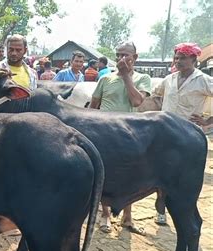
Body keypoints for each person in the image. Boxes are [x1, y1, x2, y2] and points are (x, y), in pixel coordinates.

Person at [90, 41, 151, 236]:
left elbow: (136, 101)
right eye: (118, 55)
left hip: (129, 134)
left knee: (129, 175)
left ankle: (127, 217)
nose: (121, 59)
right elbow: (93, 106)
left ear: (135, 57)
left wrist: (126, 76)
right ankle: (105, 214)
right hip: (103, 132)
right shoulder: (105, 79)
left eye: (126, 55)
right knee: (103, 173)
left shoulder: (143, 78)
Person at [152, 42, 213, 225]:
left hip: (190, 137)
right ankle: (160, 207)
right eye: (176, 58)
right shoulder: (169, 79)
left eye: (183, 58)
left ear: (194, 60)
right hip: (166, 134)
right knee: (161, 173)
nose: (178, 61)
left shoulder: (202, 80)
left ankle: (186, 214)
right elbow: (155, 96)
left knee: (186, 177)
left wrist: (208, 122)